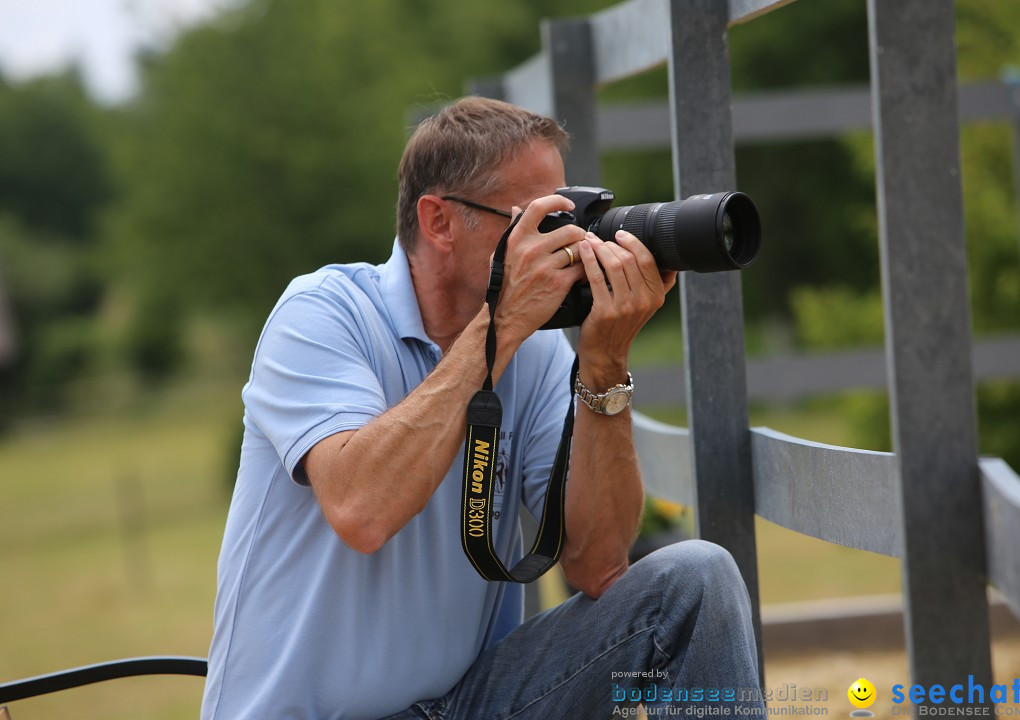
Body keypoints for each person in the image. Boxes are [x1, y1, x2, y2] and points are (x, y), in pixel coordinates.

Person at [201, 96, 763, 720]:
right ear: (440, 221)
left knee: (695, 578)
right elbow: (361, 511)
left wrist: (604, 367)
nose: (565, 244)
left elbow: (600, 563)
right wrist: (496, 331)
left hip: (466, 706)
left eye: (566, 217)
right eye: (536, 222)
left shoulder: (539, 352)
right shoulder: (322, 314)